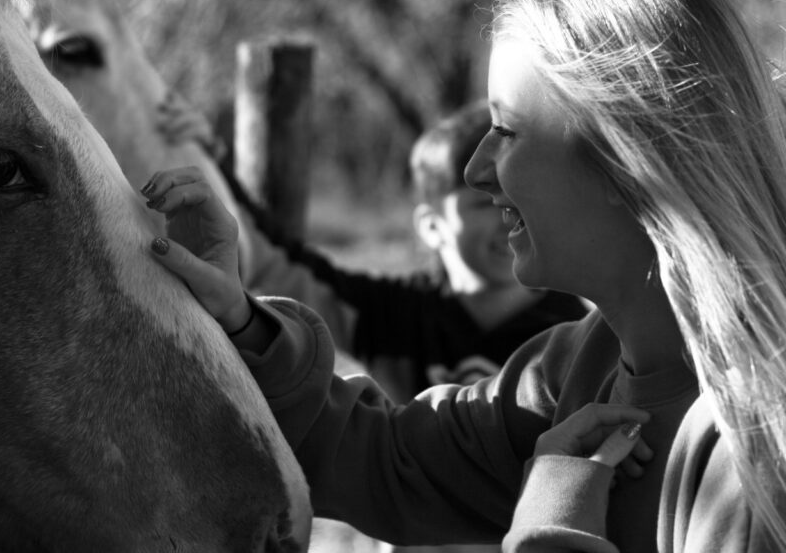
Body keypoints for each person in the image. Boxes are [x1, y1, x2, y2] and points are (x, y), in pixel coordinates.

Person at [142, 0, 786, 551]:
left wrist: (551, 512)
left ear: (624, 159)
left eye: (506, 131)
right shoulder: (568, 374)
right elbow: (384, 461)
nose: (477, 171)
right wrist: (236, 325)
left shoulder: (757, 448)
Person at [159, 96, 588, 402]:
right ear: (431, 226)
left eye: (517, 196)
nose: (507, 213)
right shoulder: (389, 314)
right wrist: (214, 162)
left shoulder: (578, 332)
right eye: (483, 201)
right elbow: (279, 262)